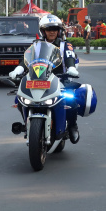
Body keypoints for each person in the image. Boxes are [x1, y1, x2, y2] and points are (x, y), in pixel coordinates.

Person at [10, 14, 81, 143]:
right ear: (43, 31)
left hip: (60, 79)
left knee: (71, 100)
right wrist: (18, 70)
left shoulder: (65, 45)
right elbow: (26, 60)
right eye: (49, 29)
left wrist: (71, 68)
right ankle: (27, 123)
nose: (52, 32)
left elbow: (70, 57)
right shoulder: (36, 45)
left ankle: (72, 125)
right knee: (19, 98)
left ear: (59, 30)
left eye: (54, 29)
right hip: (38, 79)